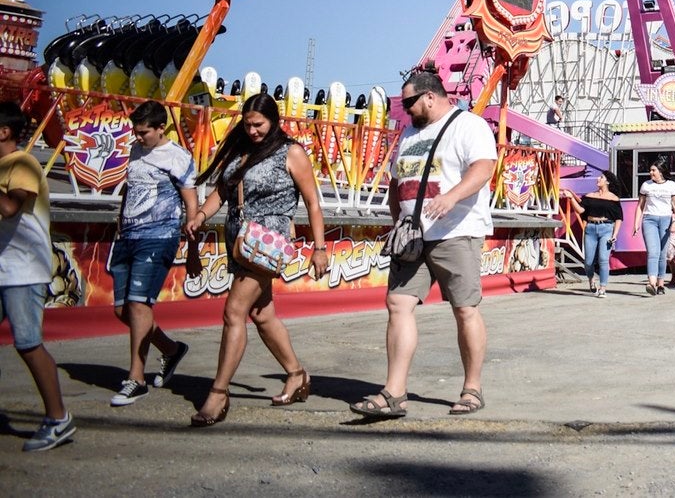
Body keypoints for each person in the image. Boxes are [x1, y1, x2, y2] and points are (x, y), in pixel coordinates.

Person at [349, 69, 495, 420]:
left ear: (430, 96)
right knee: (398, 304)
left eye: (409, 102)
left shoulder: (469, 125)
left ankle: (472, 388)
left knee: (464, 308)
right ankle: (394, 392)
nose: (406, 109)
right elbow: (398, 182)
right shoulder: (409, 134)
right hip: (412, 235)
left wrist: (451, 197)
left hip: (456, 232)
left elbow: (484, 168)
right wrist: (396, 220)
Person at [187, 93, 329, 426]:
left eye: (259, 125)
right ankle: (297, 374)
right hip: (238, 240)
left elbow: (312, 203)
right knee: (261, 313)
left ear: (274, 121)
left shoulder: (290, 152)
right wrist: (201, 216)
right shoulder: (240, 150)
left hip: (267, 242)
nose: (252, 131)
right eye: (247, 124)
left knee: (233, 311)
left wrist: (319, 248)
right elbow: (221, 191)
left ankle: (218, 394)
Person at [108, 100, 198, 406]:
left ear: (162, 128)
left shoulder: (177, 157)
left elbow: (191, 201)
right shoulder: (136, 150)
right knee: (122, 310)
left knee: (138, 305)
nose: (139, 137)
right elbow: (131, 188)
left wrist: (193, 243)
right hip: (128, 236)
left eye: (144, 132)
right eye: (136, 131)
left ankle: (136, 378)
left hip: (159, 236)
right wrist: (121, 220)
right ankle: (172, 350)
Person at [0, 101, 75, 451]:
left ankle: (58, 418)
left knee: (29, 343)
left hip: (23, 271)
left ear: (5, 132)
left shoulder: (23, 163)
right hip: (4, 269)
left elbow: (10, 207)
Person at [633, 158, 675, 296]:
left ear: (661, 171)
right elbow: (640, 206)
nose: (651, 172)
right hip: (649, 220)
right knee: (653, 252)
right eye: (650, 170)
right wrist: (636, 223)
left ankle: (661, 284)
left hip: (666, 220)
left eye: (653, 170)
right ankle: (652, 283)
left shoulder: (671, 185)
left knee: (662, 254)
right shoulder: (646, 185)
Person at [575, 171, 621, 297]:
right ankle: (591, 279)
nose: (598, 178)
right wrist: (570, 198)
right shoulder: (590, 196)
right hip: (590, 229)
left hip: (606, 228)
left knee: (603, 259)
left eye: (601, 177)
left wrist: (615, 234)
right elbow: (580, 210)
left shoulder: (614, 198)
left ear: (607, 182)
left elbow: (618, 218)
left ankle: (603, 288)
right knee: (588, 262)